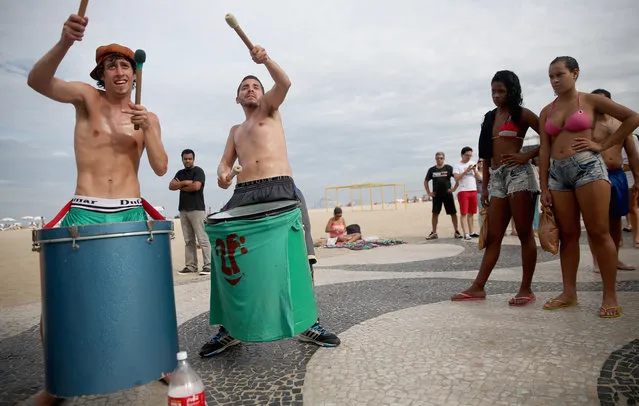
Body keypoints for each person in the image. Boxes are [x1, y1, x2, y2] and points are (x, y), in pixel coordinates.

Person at [27, 13, 168, 405]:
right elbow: (37, 82)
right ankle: (60, 379)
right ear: (101, 76)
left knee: (144, 293)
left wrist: (150, 130)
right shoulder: (87, 99)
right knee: (62, 300)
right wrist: (64, 42)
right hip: (86, 209)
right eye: (110, 66)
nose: (119, 71)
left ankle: (160, 362)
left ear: (135, 76)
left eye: (125, 65)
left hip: (130, 212)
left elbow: (160, 167)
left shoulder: (148, 116)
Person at [199, 44, 340, 358]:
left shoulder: (270, 111)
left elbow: (285, 83)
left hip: (280, 187)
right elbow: (223, 166)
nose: (250, 90)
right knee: (226, 251)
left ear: (263, 94)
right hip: (244, 193)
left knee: (299, 259)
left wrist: (266, 61)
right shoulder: (235, 130)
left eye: (256, 86)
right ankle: (229, 327)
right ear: (237, 98)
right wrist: (223, 175)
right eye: (244, 88)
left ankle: (308, 323)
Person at [538, 56, 639, 318]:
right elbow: (545, 148)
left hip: (588, 168)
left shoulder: (591, 101)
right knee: (568, 235)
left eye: (559, 74)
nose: (555, 80)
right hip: (558, 176)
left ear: (575, 73)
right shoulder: (546, 111)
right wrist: (544, 186)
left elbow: (632, 118)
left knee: (599, 232)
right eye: (551, 76)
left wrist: (602, 145)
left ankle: (609, 295)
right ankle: (569, 293)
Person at [451, 70, 540, 305]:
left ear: (512, 91)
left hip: (520, 175)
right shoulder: (490, 117)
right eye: (493, 91)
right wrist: (486, 187)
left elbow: (551, 137)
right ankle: (478, 287)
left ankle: (526, 289)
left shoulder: (522, 114)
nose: (496, 96)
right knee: (493, 236)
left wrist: (527, 155)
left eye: (501, 91)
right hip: (497, 178)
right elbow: (487, 157)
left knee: (524, 233)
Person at [588, 89, 639, 272]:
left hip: (618, 175)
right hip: (595, 176)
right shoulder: (588, 125)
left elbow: (632, 155)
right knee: (595, 221)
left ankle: (614, 258)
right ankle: (596, 260)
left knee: (616, 219)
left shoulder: (621, 124)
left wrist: (637, 179)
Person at [170, 149, 211, 276]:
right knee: (189, 240)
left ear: (193, 159)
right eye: (185, 159)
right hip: (183, 209)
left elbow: (196, 187)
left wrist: (180, 186)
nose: (187, 161)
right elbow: (171, 186)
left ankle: (209, 265)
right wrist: (186, 182)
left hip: (197, 209)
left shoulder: (198, 171)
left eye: (190, 158)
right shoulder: (180, 173)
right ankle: (191, 266)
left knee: (202, 238)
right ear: (182, 159)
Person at [424, 152, 462, 240]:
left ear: (444, 158)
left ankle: (456, 231)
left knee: (453, 213)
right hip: (437, 196)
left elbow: (457, 178)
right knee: (435, 214)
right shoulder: (431, 170)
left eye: (441, 158)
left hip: (447, 195)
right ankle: (434, 233)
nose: (439, 160)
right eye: (437, 158)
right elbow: (426, 181)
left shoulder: (448, 168)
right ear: (435, 159)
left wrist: (454, 189)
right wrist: (429, 192)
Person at [453, 146, 481, 240]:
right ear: (462, 155)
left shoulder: (473, 164)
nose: (469, 157)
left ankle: (472, 231)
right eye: (467, 155)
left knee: (472, 213)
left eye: (470, 155)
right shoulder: (457, 165)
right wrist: (466, 171)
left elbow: (478, 177)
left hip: (473, 189)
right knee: (464, 213)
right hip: (463, 191)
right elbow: (456, 178)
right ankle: (466, 233)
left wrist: (473, 170)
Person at [622, 133, 639, 246]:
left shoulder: (632, 137)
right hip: (615, 173)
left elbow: (636, 157)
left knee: (632, 206)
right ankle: (618, 238)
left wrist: (637, 178)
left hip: (630, 174)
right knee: (615, 208)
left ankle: (637, 237)